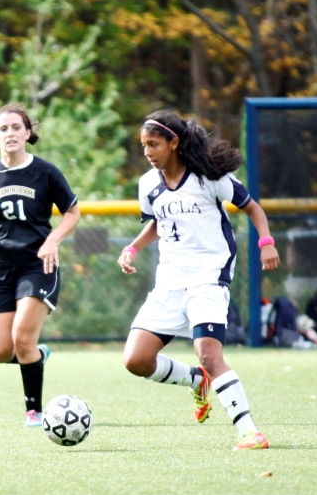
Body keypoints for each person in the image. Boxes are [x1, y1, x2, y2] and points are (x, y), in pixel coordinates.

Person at [117, 110, 280, 450]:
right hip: (169, 282)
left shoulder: (209, 178)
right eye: (144, 145)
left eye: (154, 144)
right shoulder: (148, 184)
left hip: (208, 278)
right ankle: (195, 380)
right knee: (135, 360)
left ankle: (250, 431)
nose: (147, 152)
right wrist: (132, 248)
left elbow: (254, 208)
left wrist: (266, 243)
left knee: (208, 352)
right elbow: (158, 223)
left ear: (174, 143)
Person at [0, 104, 81, 426]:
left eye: (16, 127)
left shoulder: (45, 171)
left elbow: (73, 212)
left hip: (36, 264)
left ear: (27, 133)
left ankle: (35, 412)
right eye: (4, 129)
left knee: (22, 339)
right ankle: (37, 357)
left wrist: (52, 241)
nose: (10, 133)